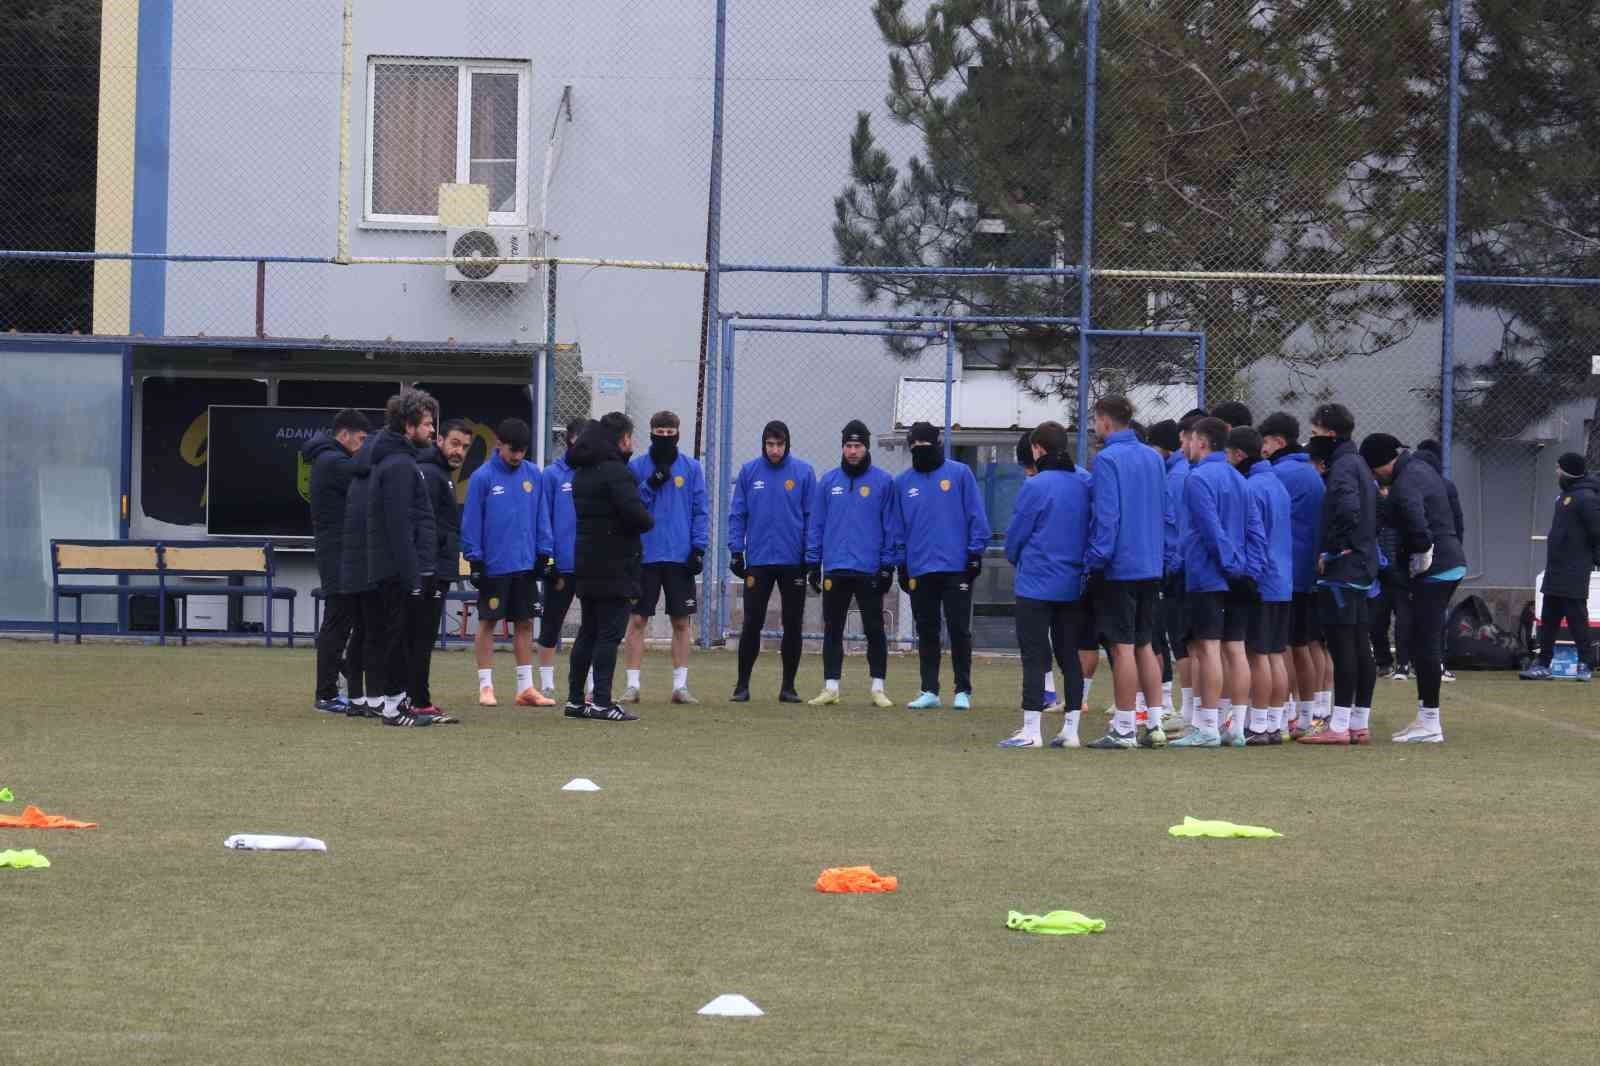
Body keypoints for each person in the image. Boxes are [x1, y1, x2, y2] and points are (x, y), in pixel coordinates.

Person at [1361, 433, 1467, 743]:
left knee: (1425, 641)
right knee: (1424, 638)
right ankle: (1425, 717)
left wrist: (1422, 551)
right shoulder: (1422, 470)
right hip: (1449, 561)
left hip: (1437, 567)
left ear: (1380, 464)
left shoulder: (1406, 482)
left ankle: (1430, 721)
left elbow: (1415, 520)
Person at [1082, 395, 1168, 750]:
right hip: (1151, 562)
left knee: (1122, 648)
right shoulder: (1153, 457)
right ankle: (1156, 724)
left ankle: (1124, 728)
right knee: (1146, 644)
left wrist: (1094, 561)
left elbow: (1107, 516)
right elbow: (1167, 510)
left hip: (1121, 566)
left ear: (1104, 421)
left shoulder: (1107, 459)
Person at [999, 421, 1091, 748]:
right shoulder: (1085, 482)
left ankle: (1031, 730)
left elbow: (1016, 537)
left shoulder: (1035, 486)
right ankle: (1072, 729)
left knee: (1035, 656)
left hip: (1036, 584)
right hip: (1072, 583)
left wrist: (1019, 558)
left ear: (1038, 448)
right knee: (1070, 655)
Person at [1171, 417, 1260, 748]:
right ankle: (1235, 726)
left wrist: (1231, 567)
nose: (1188, 447)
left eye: (1191, 440)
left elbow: (1210, 531)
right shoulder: (1239, 479)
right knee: (1235, 649)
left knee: (1207, 648)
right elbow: (1254, 530)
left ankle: (1207, 726)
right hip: (1237, 575)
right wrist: (1249, 570)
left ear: (1202, 442)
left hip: (1210, 576)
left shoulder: (1197, 479)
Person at [894, 422, 990, 711]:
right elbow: (897, 526)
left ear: (937, 444)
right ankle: (929, 690)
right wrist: (901, 563)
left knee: (959, 628)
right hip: (920, 568)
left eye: (926, 445)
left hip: (956, 566)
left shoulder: (959, 474)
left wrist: (975, 553)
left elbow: (976, 514)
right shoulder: (902, 483)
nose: (921, 451)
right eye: (916, 447)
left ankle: (963, 690)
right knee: (927, 629)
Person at [1298, 403, 1379, 746]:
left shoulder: (1344, 467)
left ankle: (1340, 723)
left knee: (1343, 645)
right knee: (1360, 644)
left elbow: (1348, 510)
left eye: (1315, 434)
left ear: (1330, 434)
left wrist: (1332, 551)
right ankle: (1358, 721)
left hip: (1343, 569)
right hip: (1361, 564)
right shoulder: (1358, 462)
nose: (1312, 440)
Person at [461, 418, 555, 710]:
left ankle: (525, 688)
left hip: (525, 564)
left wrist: (544, 552)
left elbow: (542, 515)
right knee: (488, 622)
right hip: (494, 565)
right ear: (499, 444)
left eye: (522, 452)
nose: (517, 457)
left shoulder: (533, 475)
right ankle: (486, 686)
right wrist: (474, 558)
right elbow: (472, 521)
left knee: (525, 623)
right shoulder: (482, 477)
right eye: (513, 450)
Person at [805, 419, 900, 707]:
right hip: (836, 567)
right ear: (842, 447)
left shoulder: (883, 482)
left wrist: (887, 565)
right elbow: (817, 524)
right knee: (832, 628)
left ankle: (878, 688)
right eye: (848, 445)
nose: (853, 451)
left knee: (874, 628)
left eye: (858, 446)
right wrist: (813, 563)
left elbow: (891, 527)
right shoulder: (829, 481)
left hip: (868, 568)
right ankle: (831, 687)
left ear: (866, 447)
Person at [567, 412, 654, 720]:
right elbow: (636, 516)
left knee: (587, 632)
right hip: (616, 563)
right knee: (609, 634)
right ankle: (602, 701)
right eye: (629, 438)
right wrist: (647, 517)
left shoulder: (582, 473)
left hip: (587, 561)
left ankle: (576, 699)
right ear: (622, 440)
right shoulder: (618, 473)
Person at [623, 411, 709, 704]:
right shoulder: (636, 468)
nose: (664, 437)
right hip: (645, 556)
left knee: (681, 622)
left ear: (678, 433)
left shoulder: (692, 468)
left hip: (679, 556)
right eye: (659, 432)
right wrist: (653, 482)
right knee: (637, 620)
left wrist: (698, 548)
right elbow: (632, 508)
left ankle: (680, 686)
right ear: (651, 433)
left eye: (669, 432)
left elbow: (700, 511)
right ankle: (632, 685)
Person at [728, 420, 815, 703]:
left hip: (793, 561)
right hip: (760, 560)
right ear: (763, 444)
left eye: (779, 444)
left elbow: (812, 518)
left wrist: (811, 557)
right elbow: (738, 513)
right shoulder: (749, 472)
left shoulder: (803, 472)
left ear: (787, 444)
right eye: (770, 444)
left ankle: (788, 687)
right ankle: (742, 686)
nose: (774, 450)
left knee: (792, 623)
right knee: (752, 621)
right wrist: (736, 550)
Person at [366, 389, 439, 727]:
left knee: (400, 634)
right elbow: (399, 524)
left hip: (399, 567)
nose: (432, 431)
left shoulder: (402, 461)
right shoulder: (398, 465)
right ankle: (394, 707)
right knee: (395, 635)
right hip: (397, 570)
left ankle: (399, 702)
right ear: (409, 426)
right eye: (427, 424)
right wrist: (412, 575)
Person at [1260, 412, 1331, 738]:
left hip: (1289, 570)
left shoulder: (1281, 474)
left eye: (1265, 441)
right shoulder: (1309, 471)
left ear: (1277, 441)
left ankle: (1290, 711)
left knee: (1287, 645)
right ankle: (1312, 712)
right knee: (1309, 644)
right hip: (1308, 568)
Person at [304, 408, 370, 714]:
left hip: (339, 553)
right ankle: (326, 693)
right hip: (337, 554)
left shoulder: (328, 457)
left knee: (345, 620)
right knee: (337, 622)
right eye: (361, 439)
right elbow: (363, 472)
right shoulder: (333, 461)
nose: (363, 446)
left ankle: (341, 675)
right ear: (343, 434)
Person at [1230, 427, 1292, 745]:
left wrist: (1247, 576)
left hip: (1264, 580)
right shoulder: (1277, 484)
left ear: (1239, 454)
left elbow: (1254, 537)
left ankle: (1258, 724)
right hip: (1283, 579)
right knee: (1276, 654)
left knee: (1258, 654)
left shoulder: (1252, 487)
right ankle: (1273, 723)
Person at [409, 419, 472, 723]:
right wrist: (430, 567)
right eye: (455, 443)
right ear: (440, 441)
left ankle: (412, 699)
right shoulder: (431, 474)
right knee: (419, 638)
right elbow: (426, 526)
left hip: (437, 568)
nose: (459, 451)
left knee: (420, 638)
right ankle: (418, 703)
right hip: (430, 570)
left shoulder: (441, 474)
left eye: (465, 447)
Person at [1521, 452, 1600, 682]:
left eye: (1558, 468)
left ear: (1568, 471)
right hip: (1556, 567)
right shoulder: (1564, 497)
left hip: (1575, 568)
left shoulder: (1586, 498)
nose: (1556, 472)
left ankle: (1586, 663)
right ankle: (1543, 663)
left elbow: (1596, 532)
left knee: (1576, 618)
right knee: (1549, 617)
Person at [537, 418, 591, 699]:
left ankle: (592, 683)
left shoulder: (594, 472)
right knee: (552, 622)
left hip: (590, 564)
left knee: (593, 624)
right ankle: (546, 682)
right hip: (562, 563)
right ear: (569, 439)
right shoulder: (552, 475)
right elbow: (544, 517)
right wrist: (548, 559)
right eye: (579, 438)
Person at [1150, 417, 1193, 731]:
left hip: (1179, 569)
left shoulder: (1176, 477)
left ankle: (1187, 710)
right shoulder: (1178, 472)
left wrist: (1170, 565)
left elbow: (1174, 527)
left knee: (1184, 642)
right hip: (1185, 566)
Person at [1016, 430, 1061, 711]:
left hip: (1046, 576)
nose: (1028, 473)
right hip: (1054, 574)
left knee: (1052, 641)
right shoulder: (1078, 479)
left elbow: (1018, 534)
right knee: (1045, 641)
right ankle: (1051, 693)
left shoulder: (1039, 487)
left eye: (1029, 467)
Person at [339, 431, 382, 718]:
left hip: (353, 566)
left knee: (361, 633)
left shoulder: (357, 476)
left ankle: (356, 696)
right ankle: (375, 697)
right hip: (373, 567)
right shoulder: (380, 477)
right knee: (374, 635)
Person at [1416, 439, 1465, 684]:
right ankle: (1436, 662)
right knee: (1435, 618)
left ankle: (1422, 663)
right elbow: (1458, 523)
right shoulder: (1446, 485)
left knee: (1424, 619)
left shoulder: (1414, 483)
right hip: (1449, 559)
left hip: (1428, 562)